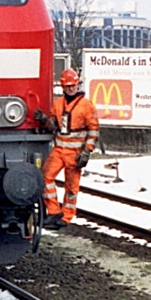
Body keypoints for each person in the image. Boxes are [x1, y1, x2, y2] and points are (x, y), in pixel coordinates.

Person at [35, 68, 99, 229]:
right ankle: (54, 211)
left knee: (71, 187)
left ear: (77, 84)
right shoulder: (58, 104)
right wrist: (44, 120)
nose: (71, 88)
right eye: (68, 85)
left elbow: (94, 130)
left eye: (73, 85)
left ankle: (67, 216)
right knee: (45, 177)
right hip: (59, 149)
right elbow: (54, 126)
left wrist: (87, 151)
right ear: (63, 87)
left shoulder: (86, 105)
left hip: (75, 153)